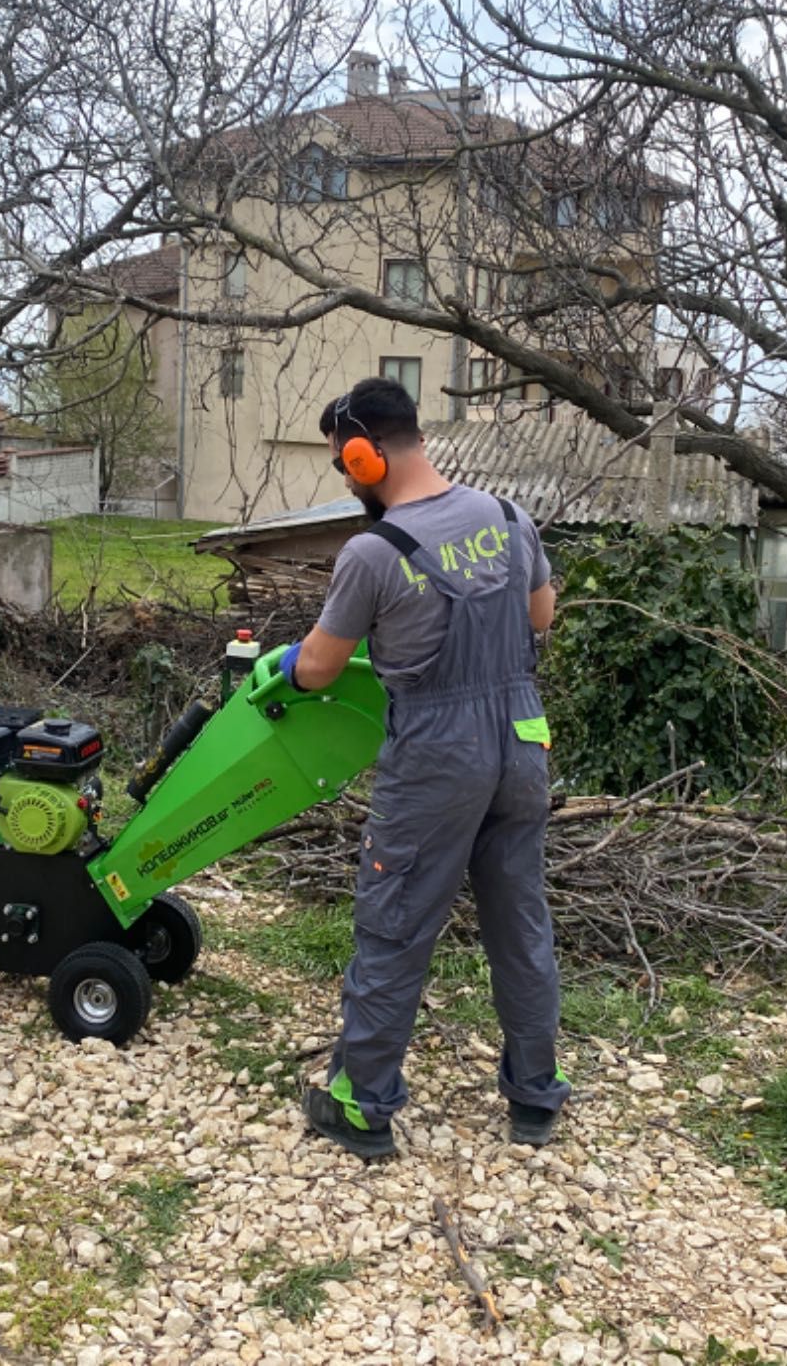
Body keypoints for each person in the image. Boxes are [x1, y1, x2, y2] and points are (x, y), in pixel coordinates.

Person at [273, 376, 568, 1158]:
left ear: (364, 456)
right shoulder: (509, 519)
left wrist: (290, 667)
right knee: (520, 919)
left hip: (437, 757)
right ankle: (535, 1099)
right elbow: (541, 617)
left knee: (396, 923)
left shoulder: (373, 552)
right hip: (521, 741)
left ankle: (363, 1106)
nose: (346, 478)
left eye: (344, 465)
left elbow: (320, 671)